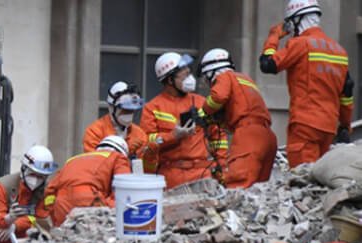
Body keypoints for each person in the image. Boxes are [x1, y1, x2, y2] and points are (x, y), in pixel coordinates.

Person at [259, 0, 353, 167]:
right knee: (319, 182)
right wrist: (345, 126)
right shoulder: (339, 51)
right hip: (329, 127)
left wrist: (273, 37)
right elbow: (347, 93)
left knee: (302, 178)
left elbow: (268, 64)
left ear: (297, 20)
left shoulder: (301, 44)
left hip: (305, 125)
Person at [139, 52, 228, 188]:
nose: (190, 77)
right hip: (171, 177)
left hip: (202, 174)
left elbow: (218, 136)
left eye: (189, 72)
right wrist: (172, 136)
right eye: (184, 74)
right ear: (169, 80)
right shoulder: (152, 108)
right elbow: (146, 143)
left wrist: (221, 167)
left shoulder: (202, 102)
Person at [198, 48, 278, 188]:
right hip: (268, 137)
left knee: (238, 187)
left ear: (211, 71)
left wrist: (204, 112)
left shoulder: (224, 77)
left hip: (249, 135)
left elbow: (219, 97)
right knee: (258, 191)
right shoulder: (244, 79)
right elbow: (240, 106)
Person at [44, 136, 131, 226]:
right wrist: (110, 207)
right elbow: (124, 186)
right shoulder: (118, 157)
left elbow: (50, 190)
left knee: (66, 237)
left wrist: (53, 214)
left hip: (61, 203)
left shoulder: (72, 159)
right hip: (89, 200)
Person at [83, 82, 148, 158]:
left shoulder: (140, 134)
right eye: (125, 109)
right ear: (111, 107)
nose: (128, 114)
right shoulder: (95, 132)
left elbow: (147, 168)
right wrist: (126, 152)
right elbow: (94, 164)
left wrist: (150, 157)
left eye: (131, 110)